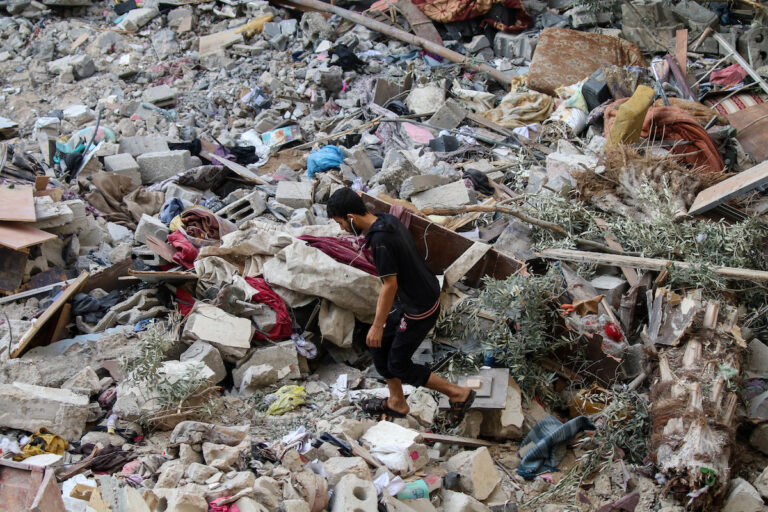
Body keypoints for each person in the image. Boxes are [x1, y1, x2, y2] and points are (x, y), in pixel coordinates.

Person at [326, 187, 475, 426]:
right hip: (412, 297)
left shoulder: (381, 240)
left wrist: (377, 324)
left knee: (398, 364)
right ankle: (397, 401)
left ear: (351, 217)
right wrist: (377, 328)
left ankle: (458, 394)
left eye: (341, 223)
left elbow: (389, 285)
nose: (341, 229)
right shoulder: (386, 219)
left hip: (419, 307)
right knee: (376, 343)